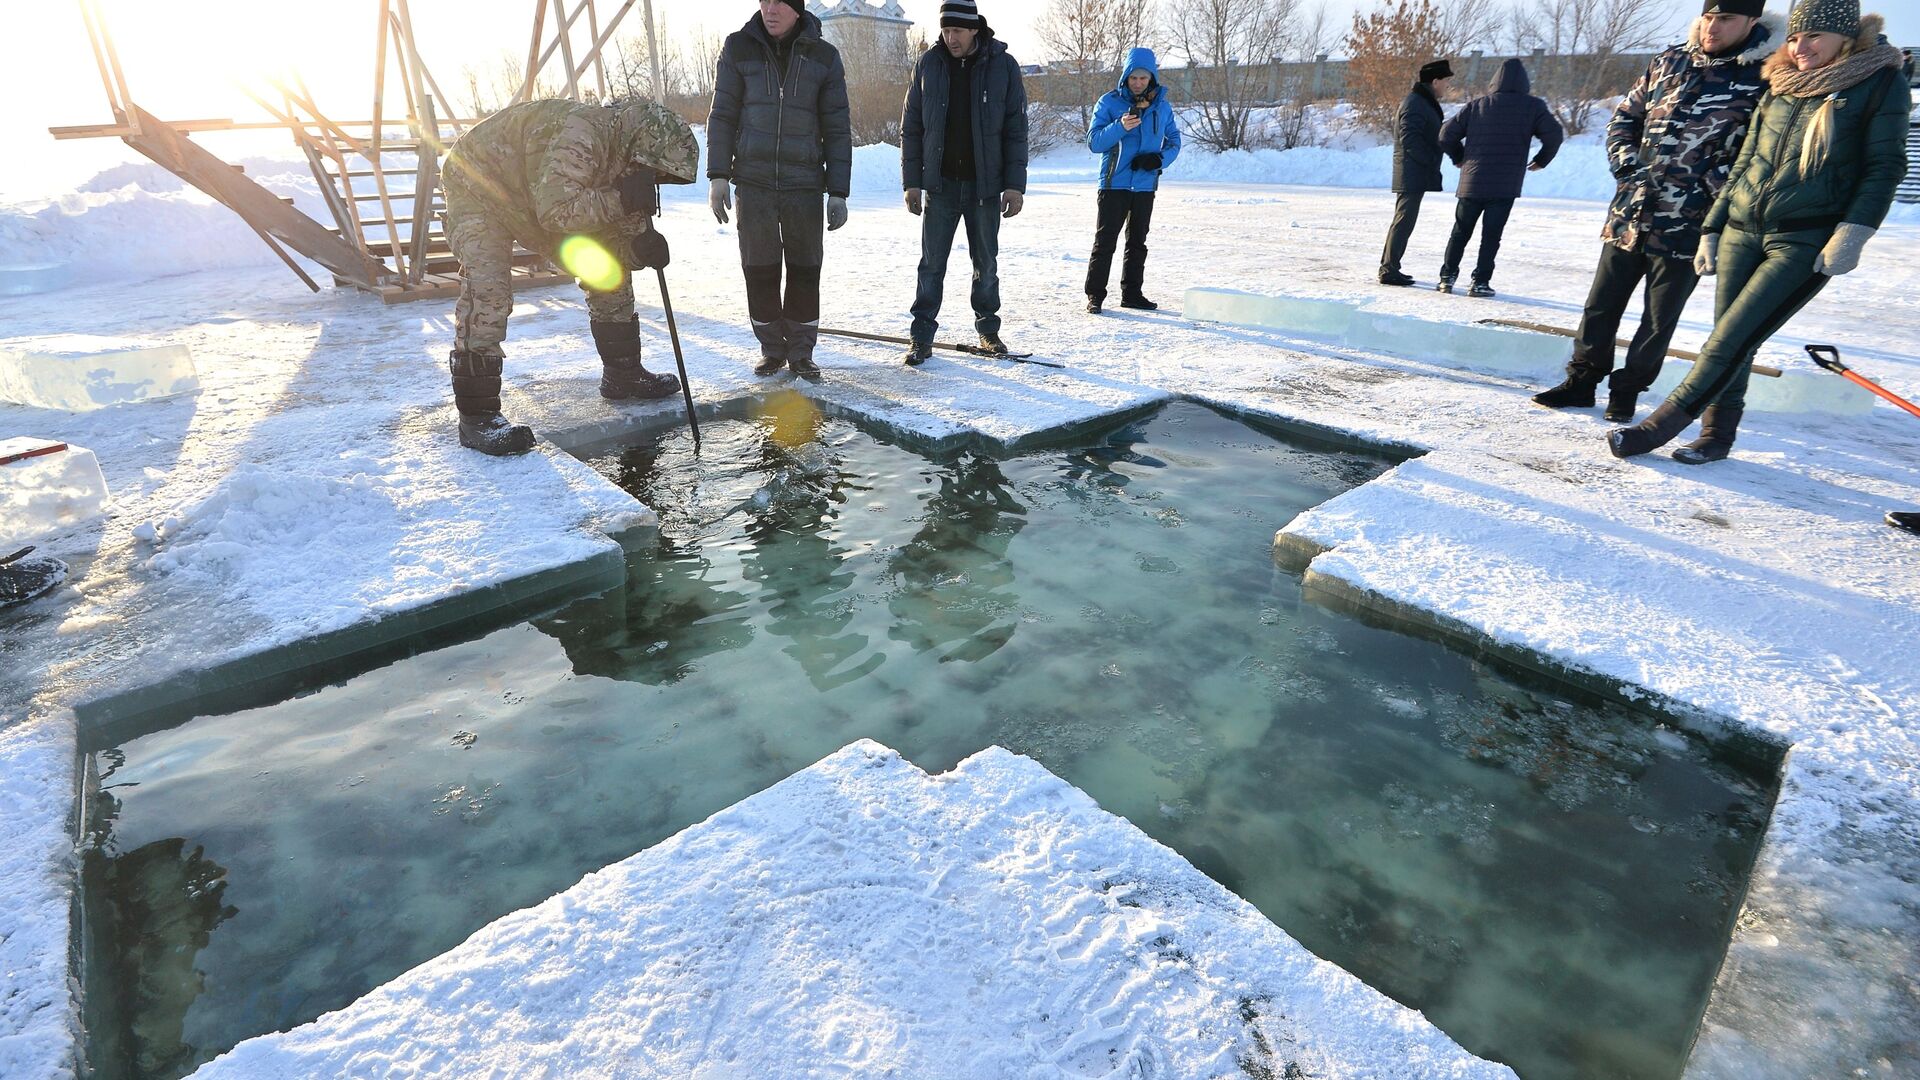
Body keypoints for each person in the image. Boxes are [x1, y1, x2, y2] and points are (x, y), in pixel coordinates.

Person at [1610, 1, 1910, 463]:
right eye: (1793, 37)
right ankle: (1716, 435)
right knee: (1732, 336)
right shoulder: (1782, 82)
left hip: (1804, 236)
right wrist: (1713, 227)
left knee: (1731, 338)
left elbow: (1884, 166)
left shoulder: (1878, 81)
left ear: (1845, 38)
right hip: (1740, 229)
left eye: (1812, 36)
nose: (1799, 46)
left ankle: (1657, 428)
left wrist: (1854, 231)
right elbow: (1748, 160)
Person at [1533, 2, 1778, 422]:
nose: (1713, 28)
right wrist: (1626, 165)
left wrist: (1711, 191)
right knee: (1601, 305)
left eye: (1726, 20)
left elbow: (1758, 154)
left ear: (1751, 23)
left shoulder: (1764, 77)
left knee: (1659, 318)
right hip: (1632, 210)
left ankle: (1627, 392)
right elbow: (1625, 118)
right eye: (1709, 17)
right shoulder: (1669, 61)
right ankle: (1581, 382)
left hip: (1691, 221)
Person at [441, 97, 698, 455]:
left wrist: (641, 250)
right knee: (490, 290)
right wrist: (622, 198)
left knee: (608, 269)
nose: (654, 180)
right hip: (479, 182)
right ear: (641, 148)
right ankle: (478, 418)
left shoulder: (629, 171)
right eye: (655, 172)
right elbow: (557, 211)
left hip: (535, 194)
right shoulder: (584, 133)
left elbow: (616, 245)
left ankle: (623, 374)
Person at [706, 0, 853, 381]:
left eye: (779, 2)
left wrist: (838, 190)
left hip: (804, 183)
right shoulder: (738, 47)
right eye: (764, 1)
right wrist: (718, 174)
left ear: (796, 8)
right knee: (760, 270)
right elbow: (721, 113)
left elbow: (836, 127)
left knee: (806, 270)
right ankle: (772, 349)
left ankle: (802, 352)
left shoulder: (824, 56)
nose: (770, 9)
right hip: (753, 183)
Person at [900, 0, 1030, 366]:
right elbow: (912, 127)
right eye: (945, 30)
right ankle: (921, 336)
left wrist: (1014, 185)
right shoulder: (928, 65)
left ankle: (988, 330)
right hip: (940, 185)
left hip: (984, 187)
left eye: (957, 30)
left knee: (985, 263)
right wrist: (912, 182)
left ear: (974, 28)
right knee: (931, 264)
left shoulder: (1002, 66)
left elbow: (1016, 131)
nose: (949, 37)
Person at [1435, 59, 1564, 297]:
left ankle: (1447, 278)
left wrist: (1458, 157)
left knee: (1460, 231)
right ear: (1525, 82)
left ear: (1495, 81)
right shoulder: (1533, 107)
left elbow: (1445, 134)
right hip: (1504, 186)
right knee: (1491, 235)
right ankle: (1480, 283)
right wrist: (1541, 160)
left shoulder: (1477, 105)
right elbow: (1554, 135)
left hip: (1472, 183)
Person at [1085, 47, 1182, 313]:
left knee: (1138, 241)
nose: (1138, 83)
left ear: (1152, 78)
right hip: (1113, 183)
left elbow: (1175, 141)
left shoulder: (1162, 107)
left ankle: (1132, 294)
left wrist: (1159, 160)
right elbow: (1094, 142)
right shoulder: (1109, 102)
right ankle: (1095, 295)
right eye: (1133, 78)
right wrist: (1120, 126)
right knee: (1105, 242)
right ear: (1125, 77)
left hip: (1144, 185)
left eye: (1143, 78)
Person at [1379, 59, 1452, 287]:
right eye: (1446, 81)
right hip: (1412, 171)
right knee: (1403, 220)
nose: (1448, 86)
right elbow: (1409, 137)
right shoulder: (1415, 103)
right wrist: (1430, 160)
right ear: (1435, 81)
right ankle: (1389, 269)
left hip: (1415, 170)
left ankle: (1390, 267)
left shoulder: (1422, 102)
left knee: (1404, 220)